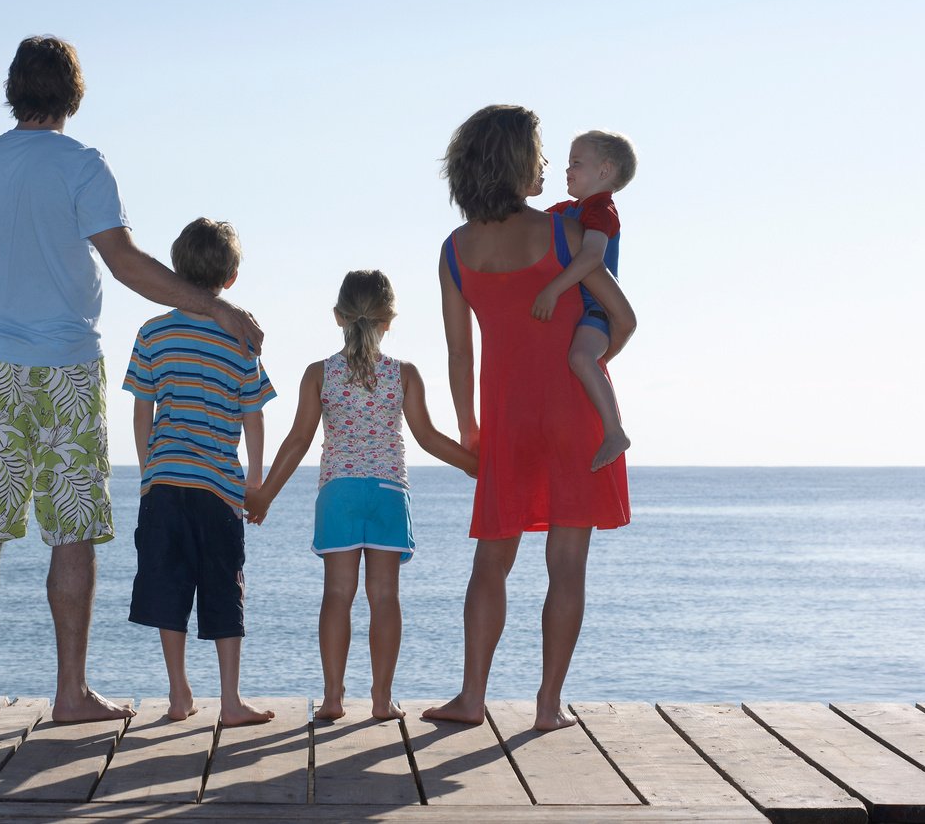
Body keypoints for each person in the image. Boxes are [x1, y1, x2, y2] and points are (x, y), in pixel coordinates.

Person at [0, 36, 262, 723]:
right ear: (71, 93)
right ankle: (69, 694)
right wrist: (216, 304)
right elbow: (125, 264)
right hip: (63, 364)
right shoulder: (82, 165)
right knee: (72, 529)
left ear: (14, 89)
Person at [425, 105, 634, 731]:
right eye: (540, 154)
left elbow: (459, 353)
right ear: (517, 163)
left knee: (491, 562)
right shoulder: (567, 232)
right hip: (575, 414)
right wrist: (589, 360)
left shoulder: (456, 250)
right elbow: (621, 319)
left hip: (506, 419)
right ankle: (546, 708)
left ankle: (470, 698)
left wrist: (469, 427)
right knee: (566, 564)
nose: (547, 165)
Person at [245, 270, 477, 721]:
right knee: (385, 598)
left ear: (338, 316)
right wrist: (476, 466)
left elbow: (297, 441)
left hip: (339, 493)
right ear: (389, 319)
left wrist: (266, 495)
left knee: (337, 595)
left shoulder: (320, 374)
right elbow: (428, 437)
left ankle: (332, 699)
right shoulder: (403, 374)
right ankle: (380, 700)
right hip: (389, 493)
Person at [123, 218, 276, 727]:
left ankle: (179, 693)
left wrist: (150, 472)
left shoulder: (152, 333)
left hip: (165, 482)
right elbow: (254, 417)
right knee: (223, 587)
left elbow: (142, 411)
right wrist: (253, 482)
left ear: (177, 271)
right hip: (217, 488)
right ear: (230, 279)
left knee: (168, 586)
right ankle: (230, 701)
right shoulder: (240, 340)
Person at [530, 130, 639, 471]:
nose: (567, 170)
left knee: (580, 358)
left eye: (576, 163)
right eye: (568, 163)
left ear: (604, 171)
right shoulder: (570, 210)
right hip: (578, 312)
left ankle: (614, 431)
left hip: (597, 310)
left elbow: (592, 256)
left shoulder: (601, 210)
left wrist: (553, 289)